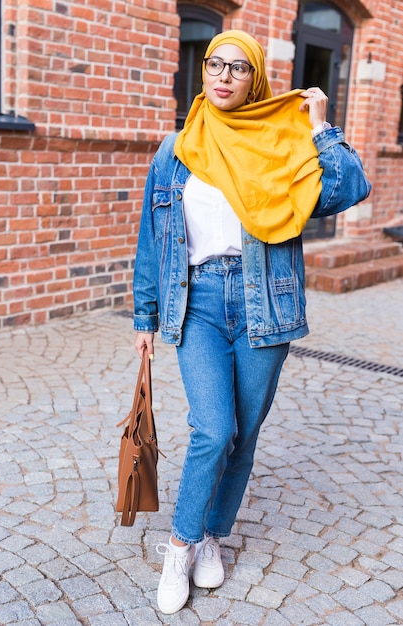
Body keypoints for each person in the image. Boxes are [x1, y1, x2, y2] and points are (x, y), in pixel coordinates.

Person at [132, 30, 371, 615]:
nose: (223, 76)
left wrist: (320, 126)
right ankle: (181, 546)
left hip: (266, 299)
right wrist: (145, 314)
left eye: (239, 68)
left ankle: (213, 535)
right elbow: (150, 240)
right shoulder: (177, 149)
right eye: (215, 63)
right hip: (199, 303)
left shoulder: (283, 146)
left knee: (242, 435)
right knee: (213, 429)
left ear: (255, 78)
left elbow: (349, 188)